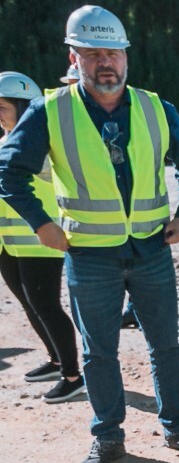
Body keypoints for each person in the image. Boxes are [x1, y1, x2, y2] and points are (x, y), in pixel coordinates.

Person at [0, 4, 179, 463]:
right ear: (74, 58)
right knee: (98, 352)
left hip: (151, 249)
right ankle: (108, 436)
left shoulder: (158, 108)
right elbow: (9, 171)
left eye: (112, 52)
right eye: (92, 53)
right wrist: (40, 223)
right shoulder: (50, 111)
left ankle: (177, 426)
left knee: (166, 345)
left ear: (126, 56)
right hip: (89, 255)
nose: (105, 63)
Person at [0, 71, 83, 403]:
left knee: (46, 305)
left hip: (41, 241)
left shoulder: (42, 146)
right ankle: (55, 360)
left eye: (2, 107)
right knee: (29, 303)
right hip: (9, 243)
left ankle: (73, 375)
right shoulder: (4, 142)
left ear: (23, 107)